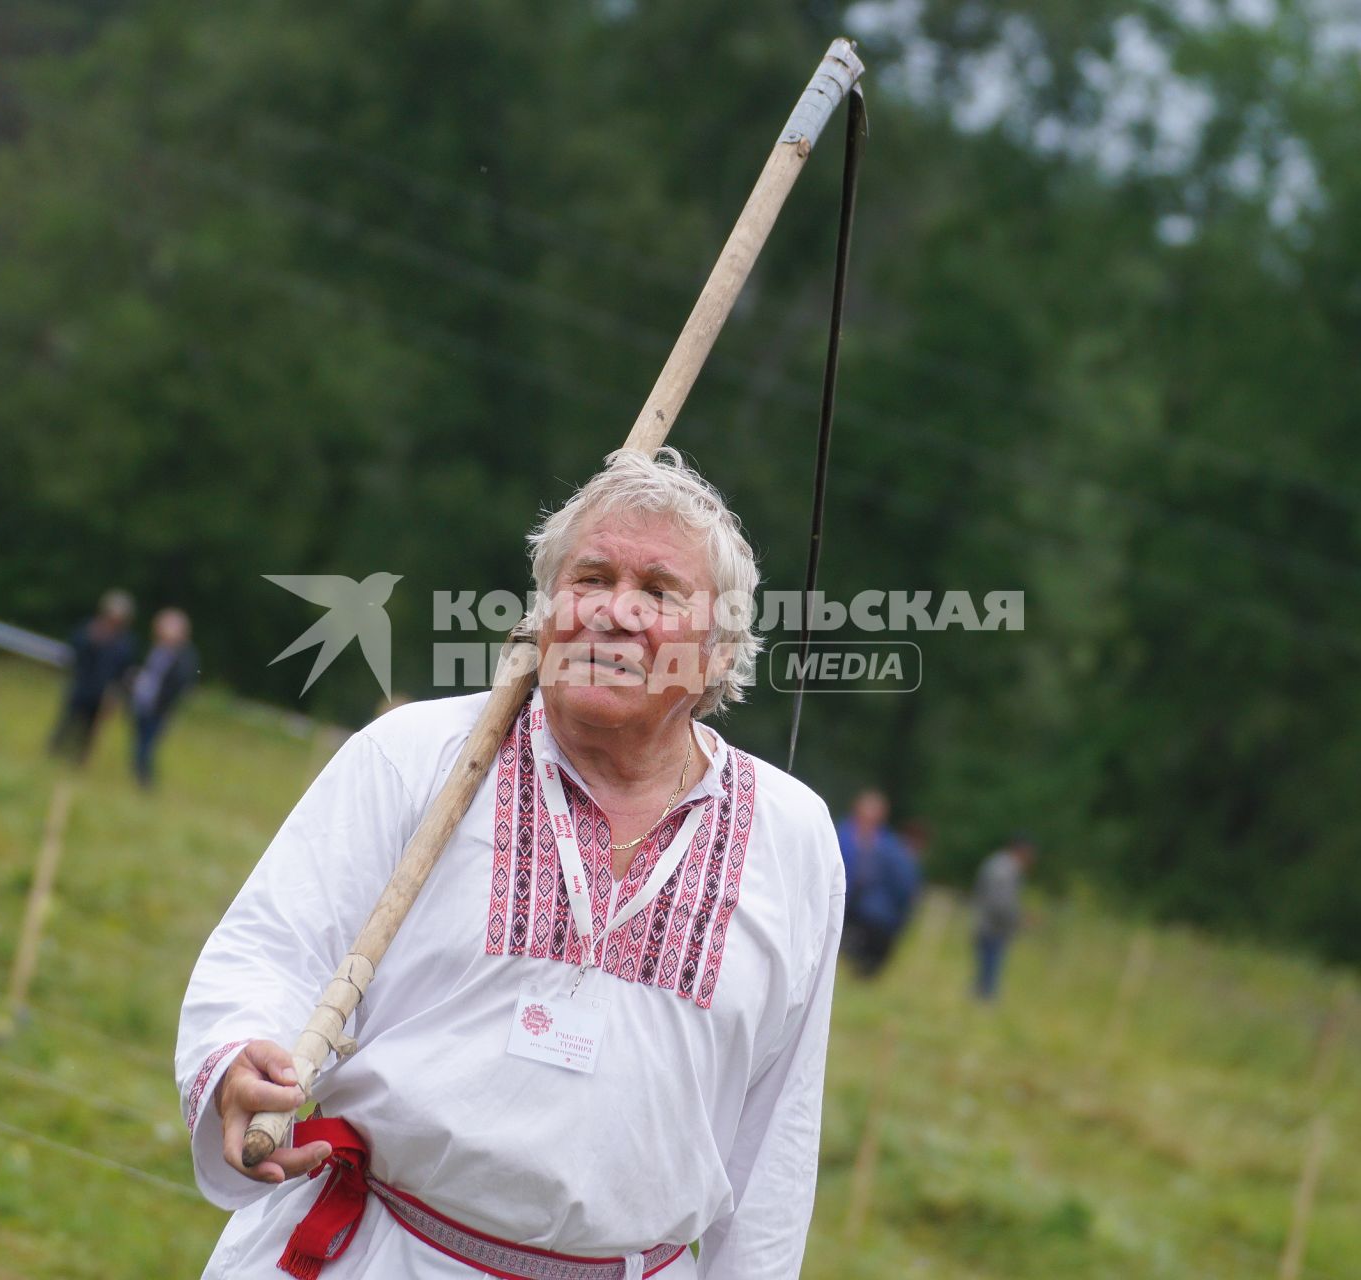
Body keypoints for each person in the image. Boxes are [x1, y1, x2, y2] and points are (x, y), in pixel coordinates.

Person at [177, 448, 844, 1278]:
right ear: (542, 615)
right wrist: (243, 1056)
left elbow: (777, 1134)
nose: (614, 612)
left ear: (716, 654)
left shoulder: (794, 838)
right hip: (372, 1253)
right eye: (591, 578)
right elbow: (270, 949)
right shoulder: (418, 756)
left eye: (659, 593)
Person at [835, 789, 920, 978]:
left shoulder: (891, 847)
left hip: (871, 918)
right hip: (836, 907)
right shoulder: (836, 836)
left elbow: (904, 885)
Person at [46, 589, 135, 764]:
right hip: (81, 686)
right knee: (67, 722)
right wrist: (90, 640)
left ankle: (78, 760)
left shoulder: (125, 642)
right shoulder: (90, 629)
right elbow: (74, 652)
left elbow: (123, 671)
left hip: (102, 693)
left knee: (89, 731)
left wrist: (117, 695)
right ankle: (53, 753)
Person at [129, 607, 198, 788]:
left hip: (160, 709)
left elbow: (180, 684)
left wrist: (163, 703)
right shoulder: (157, 649)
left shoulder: (183, 656)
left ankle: (145, 783)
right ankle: (139, 778)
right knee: (138, 744)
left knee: (146, 748)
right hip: (142, 703)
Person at [972, 836, 1036, 1001]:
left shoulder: (995, 864)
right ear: (1022, 851)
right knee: (988, 977)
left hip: (984, 923)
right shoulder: (1006, 870)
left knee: (983, 972)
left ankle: (976, 1005)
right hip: (993, 928)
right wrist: (1019, 919)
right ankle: (982, 1007)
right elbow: (1001, 904)